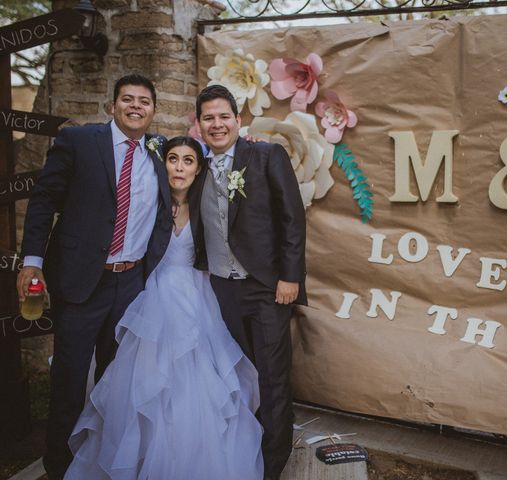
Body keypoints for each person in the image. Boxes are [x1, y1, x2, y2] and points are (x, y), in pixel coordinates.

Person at [63, 136, 263, 479]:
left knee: (196, 377)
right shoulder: (151, 201)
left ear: (198, 169)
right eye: (173, 159)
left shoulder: (207, 205)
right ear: (163, 163)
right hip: (153, 292)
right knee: (148, 377)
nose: (179, 167)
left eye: (188, 161)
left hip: (197, 293)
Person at [17, 74, 173, 480]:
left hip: (131, 285)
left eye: (144, 100)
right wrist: (31, 260)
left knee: (115, 383)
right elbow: (44, 200)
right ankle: (60, 467)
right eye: (127, 99)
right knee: (69, 381)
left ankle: (101, 461)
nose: (136, 106)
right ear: (112, 106)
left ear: (153, 110)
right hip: (82, 281)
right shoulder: (80, 141)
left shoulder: (158, 155)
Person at [190, 84, 307, 480]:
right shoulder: (196, 168)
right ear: (199, 124)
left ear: (238, 121)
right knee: (238, 373)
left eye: (224, 116)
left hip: (267, 286)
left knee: (272, 377)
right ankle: (242, 452)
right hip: (221, 289)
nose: (217, 124)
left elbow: (293, 218)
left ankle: (272, 467)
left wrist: (290, 277)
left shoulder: (266, 154)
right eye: (209, 118)